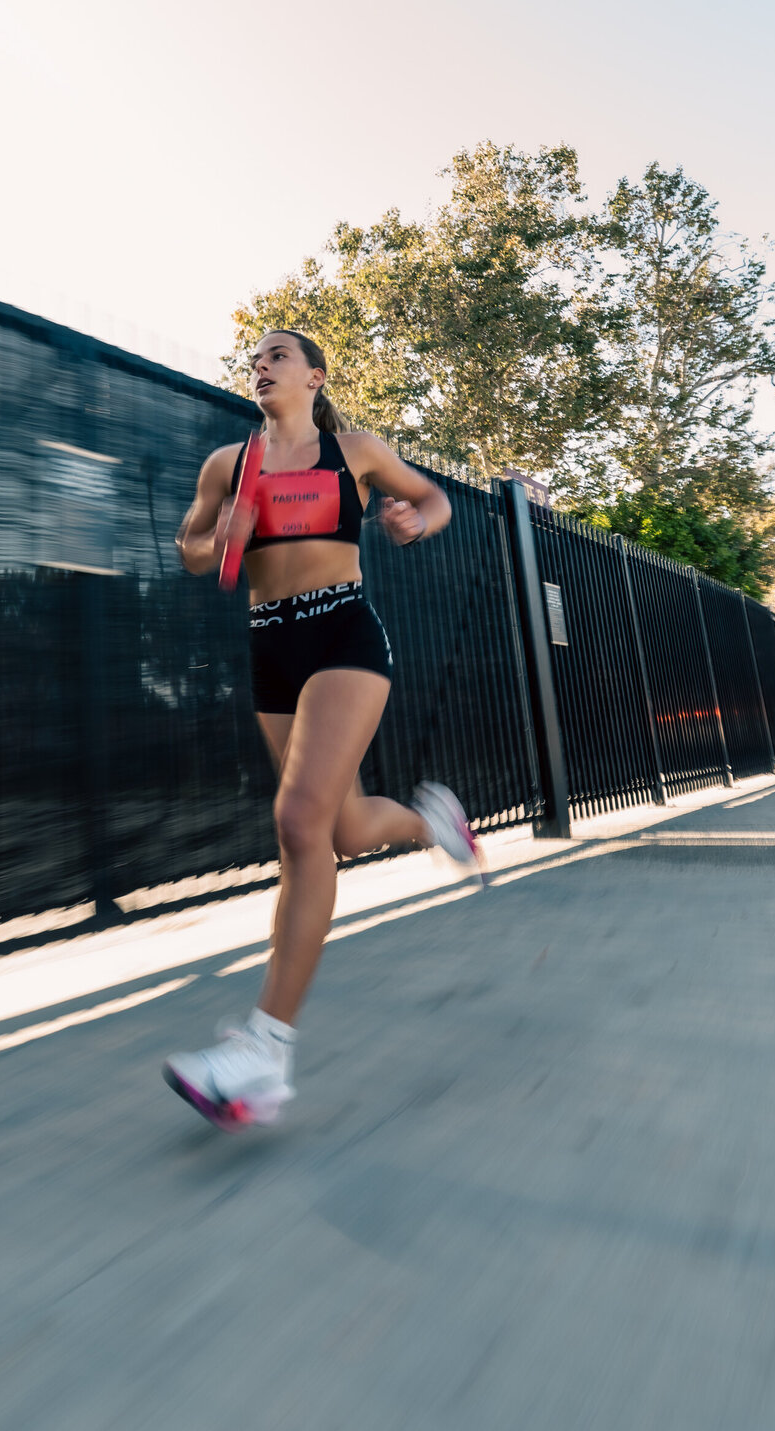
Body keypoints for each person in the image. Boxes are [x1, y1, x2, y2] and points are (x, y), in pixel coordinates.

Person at [164, 329, 480, 1129]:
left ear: (314, 374)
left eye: (277, 354)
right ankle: (429, 819)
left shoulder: (357, 451)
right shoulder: (226, 465)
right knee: (338, 830)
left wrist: (419, 520)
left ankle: (264, 1050)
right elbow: (189, 549)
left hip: (343, 631)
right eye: (255, 358)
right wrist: (219, 539)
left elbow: (434, 497)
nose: (261, 364)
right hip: (271, 643)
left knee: (297, 822)